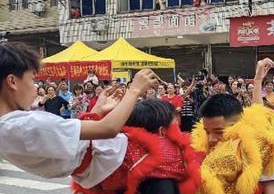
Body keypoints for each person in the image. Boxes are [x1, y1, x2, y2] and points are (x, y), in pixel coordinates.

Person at [0, 42, 159, 186]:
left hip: (100, 171)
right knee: (171, 169)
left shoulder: (11, 127)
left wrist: (96, 110)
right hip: (120, 160)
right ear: (13, 82)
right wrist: (135, 90)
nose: (35, 88)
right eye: (32, 80)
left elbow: (72, 136)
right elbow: (108, 128)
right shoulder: (25, 125)